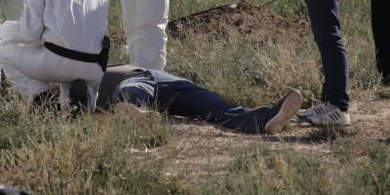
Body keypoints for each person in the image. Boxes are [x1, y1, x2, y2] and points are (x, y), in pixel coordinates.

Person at [0, 0, 109, 111]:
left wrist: (3, 31)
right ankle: (81, 99)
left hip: (57, 63)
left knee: (3, 51)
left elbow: (29, 33)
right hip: (94, 68)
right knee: (67, 56)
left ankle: (40, 100)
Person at [96, 65, 303, 135]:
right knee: (219, 110)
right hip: (168, 90)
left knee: (130, 89)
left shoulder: (86, 75)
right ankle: (266, 119)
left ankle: (269, 117)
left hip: (139, 76)